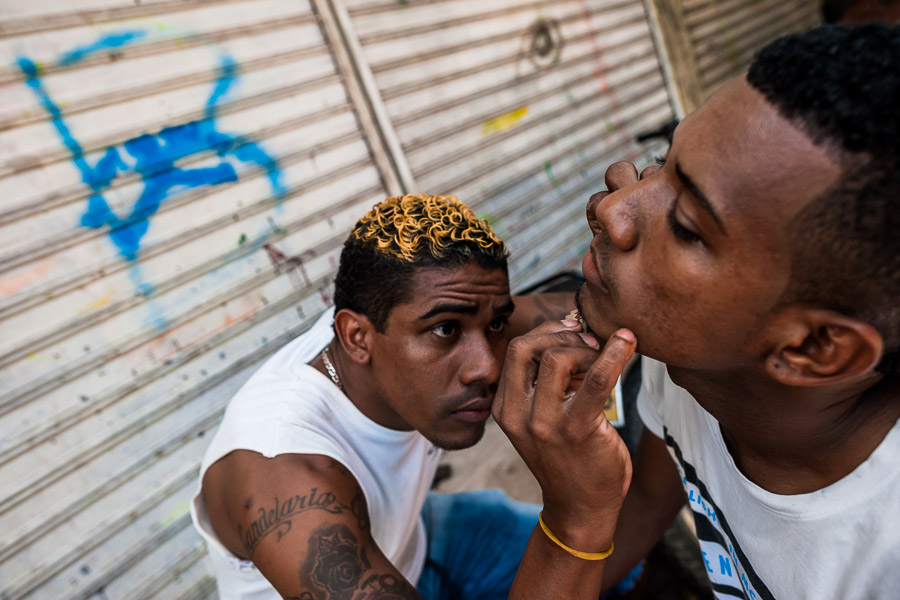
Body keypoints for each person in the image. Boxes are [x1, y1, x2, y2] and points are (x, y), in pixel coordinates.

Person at [494, 23, 900, 600]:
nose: (613, 207)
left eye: (686, 225)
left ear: (812, 348)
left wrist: (574, 524)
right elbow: (656, 497)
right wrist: (581, 517)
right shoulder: (689, 365)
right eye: (661, 163)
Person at [191, 194, 645, 599]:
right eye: (446, 329)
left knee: (619, 559)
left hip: (418, 535)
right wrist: (575, 516)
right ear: (356, 337)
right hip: (363, 558)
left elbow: (590, 315)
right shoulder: (283, 475)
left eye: (494, 325)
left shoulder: (403, 316)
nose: (486, 367)